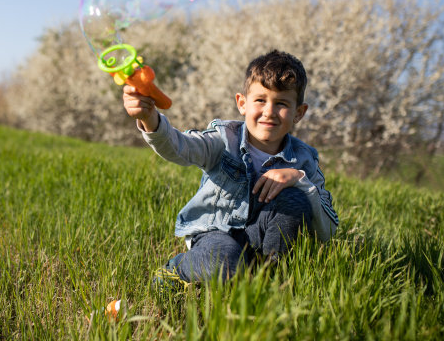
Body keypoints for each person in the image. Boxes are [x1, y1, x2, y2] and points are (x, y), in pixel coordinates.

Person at [122, 50, 339, 289]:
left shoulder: (303, 159)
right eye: (260, 100)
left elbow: (328, 230)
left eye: (281, 103)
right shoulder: (223, 139)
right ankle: (177, 269)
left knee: (295, 199)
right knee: (225, 262)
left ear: (299, 112)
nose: (269, 111)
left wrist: (299, 179)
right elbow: (179, 147)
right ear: (242, 103)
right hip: (217, 234)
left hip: (261, 236)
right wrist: (150, 119)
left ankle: (270, 279)